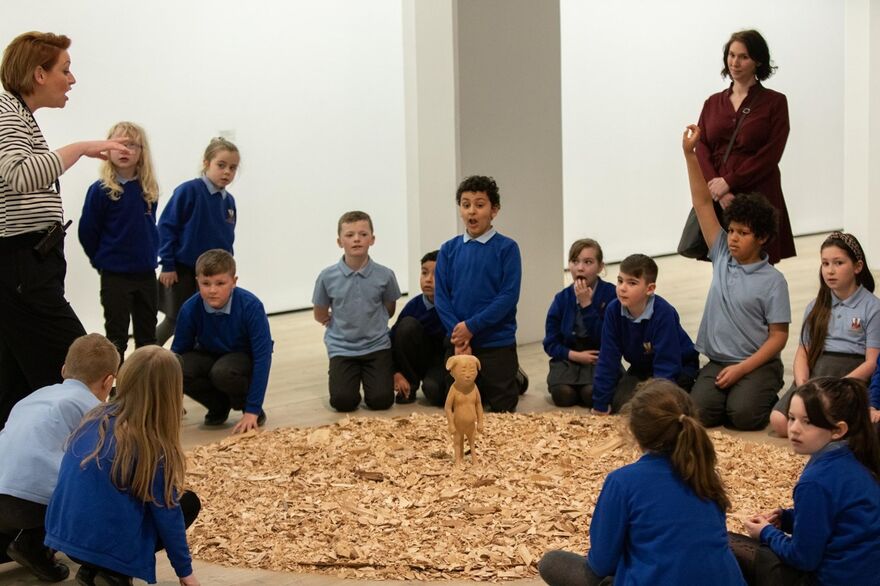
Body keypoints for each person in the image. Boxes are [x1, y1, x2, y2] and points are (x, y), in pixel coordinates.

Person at [0, 31, 130, 429]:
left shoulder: (18, 114)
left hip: (28, 267)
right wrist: (82, 148)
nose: (71, 80)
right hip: (22, 268)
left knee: (17, 384)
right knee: (83, 369)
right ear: (39, 74)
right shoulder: (5, 113)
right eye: (65, 70)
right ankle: (105, 465)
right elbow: (21, 175)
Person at [538, 379, 745, 586]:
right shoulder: (704, 474)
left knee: (553, 562)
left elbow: (601, 564)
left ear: (635, 430)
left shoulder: (623, 481)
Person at [44, 346, 201, 586]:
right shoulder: (152, 444)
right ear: (172, 391)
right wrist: (185, 573)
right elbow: (167, 513)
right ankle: (113, 571)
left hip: (65, 540)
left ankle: (92, 570)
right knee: (186, 503)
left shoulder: (94, 416)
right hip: (107, 544)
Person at [683, 125, 790, 430]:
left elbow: (778, 337)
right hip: (718, 361)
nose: (733, 238)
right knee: (700, 415)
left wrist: (743, 369)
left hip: (756, 364)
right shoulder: (720, 253)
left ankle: (764, 388)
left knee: (743, 417)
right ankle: (735, 391)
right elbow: (703, 202)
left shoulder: (773, 281)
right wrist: (690, 155)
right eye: (731, 230)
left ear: (763, 238)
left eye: (743, 233)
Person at [736, 378, 880, 586]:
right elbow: (837, 518)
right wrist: (786, 518)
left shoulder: (815, 482)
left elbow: (803, 559)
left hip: (830, 579)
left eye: (808, 422)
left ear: (838, 430)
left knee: (731, 545)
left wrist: (767, 533)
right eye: (792, 418)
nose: (794, 429)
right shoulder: (858, 455)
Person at [0, 334, 118, 582]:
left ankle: (27, 541)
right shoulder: (95, 410)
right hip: (30, 505)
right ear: (109, 382)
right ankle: (34, 545)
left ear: (64, 369)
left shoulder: (32, 397)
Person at [695, 29, 794, 264]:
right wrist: (717, 189)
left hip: (759, 192)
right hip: (719, 196)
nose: (735, 63)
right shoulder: (713, 102)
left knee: (759, 264)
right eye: (731, 55)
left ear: (758, 61)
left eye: (743, 57)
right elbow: (702, 146)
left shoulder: (775, 102)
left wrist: (729, 182)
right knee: (722, 262)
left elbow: (770, 154)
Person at [770, 232, 879, 437]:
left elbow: (872, 362)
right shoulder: (815, 306)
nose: (830, 271)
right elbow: (804, 351)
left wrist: (839, 385)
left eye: (838, 263)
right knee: (779, 420)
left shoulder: (872, 308)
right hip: (817, 373)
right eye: (825, 263)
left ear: (857, 267)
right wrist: (802, 384)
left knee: (832, 419)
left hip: (849, 378)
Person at [434, 175, 528, 413]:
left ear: (494, 210)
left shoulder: (507, 248)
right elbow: (442, 297)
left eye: (479, 204)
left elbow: (508, 296)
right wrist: (459, 334)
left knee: (503, 405)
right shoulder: (448, 249)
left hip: (495, 341)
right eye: (466, 205)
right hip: (459, 341)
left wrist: (472, 327)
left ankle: (514, 375)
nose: (472, 212)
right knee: (448, 400)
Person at [79, 121, 160, 362]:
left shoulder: (148, 189)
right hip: (116, 276)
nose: (125, 150)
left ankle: (145, 389)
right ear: (107, 149)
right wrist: (102, 261)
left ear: (142, 152)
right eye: (119, 144)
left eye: (132, 145)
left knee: (148, 337)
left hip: (146, 274)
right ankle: (119, 389)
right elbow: (88, 232)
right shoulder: (101, 190)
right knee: (117, 337)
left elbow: (148, 228)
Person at [172, 249, 272, 433]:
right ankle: (218, 406)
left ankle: (247, 408)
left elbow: (262, 358)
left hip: (241, 359)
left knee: (223, 372)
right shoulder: (190, 309)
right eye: (206, 283)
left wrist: (253, 409)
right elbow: (177, 354)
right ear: (197, 282)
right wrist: (172, 399)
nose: (212, 290)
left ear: (234, 282)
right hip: (209, 354)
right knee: (178, 368)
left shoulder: (251, 306)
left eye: (220, 283)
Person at [312, 211, 401, 412]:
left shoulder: (385, 275)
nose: (357, 239)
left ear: (372, 239)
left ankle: (372, 378)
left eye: (363, 234)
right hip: (342, 348)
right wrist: (337, 325)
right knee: (343, 402)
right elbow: (319, 313)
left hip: (377, 346)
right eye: (350, 235)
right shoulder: (327, 277)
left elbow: (389, 308)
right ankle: (344, 377)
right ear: (339, 241)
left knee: (381, 401)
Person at [156, 137, 239, 346]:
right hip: (183, 271)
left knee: (205, 320)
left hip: (214, 274)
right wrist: (167, 263)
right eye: (221, 165)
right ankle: (144, 358)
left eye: (232, 167)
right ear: (206, 163)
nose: (227, 172)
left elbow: (227, 239)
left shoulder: (228, 202)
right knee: (176, 320)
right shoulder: (189, 191)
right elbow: (166, 227)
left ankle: (191, 365)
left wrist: (228, 272)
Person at [590, 254, 699, 415]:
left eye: (632, 283)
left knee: (650, 411)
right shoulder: (613, 310)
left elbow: (667, 365)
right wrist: (600, 405)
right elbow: (608, 358)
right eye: (620, 281)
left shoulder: (664, 313)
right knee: (621, 405)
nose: (622, 288)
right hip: (641, 367)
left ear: (650, 289)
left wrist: (656, 401)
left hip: (679, 368)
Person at [543, 238, 616, 408]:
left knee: (591, 394)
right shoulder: (562, 298)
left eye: (588, 262)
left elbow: (607, 337)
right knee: (563, 395)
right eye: (575, 261)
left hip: (598, 358)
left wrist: (586, 305)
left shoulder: (610, 294)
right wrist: (574, 355)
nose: (580, 268)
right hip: (569, 357)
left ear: (600, 266)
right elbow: (550, 342)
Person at [390, 250, 445, 405]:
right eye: (424, 273)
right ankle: (409, 386)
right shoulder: (413, 306)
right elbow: (393, 341)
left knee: (436, 393)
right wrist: (396, 373)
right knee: (407, 326)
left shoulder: (455, 304)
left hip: (445, 362)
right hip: (421, 358)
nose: (428, 280)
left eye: (436, 274)